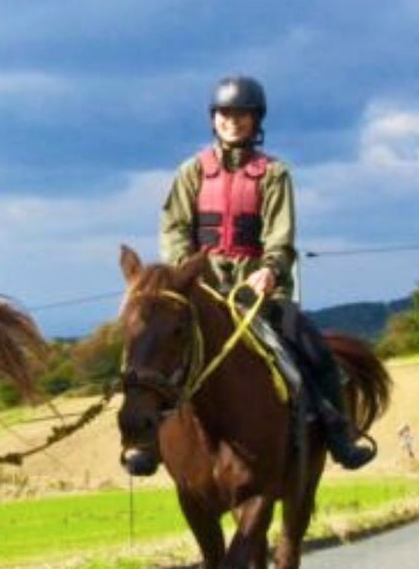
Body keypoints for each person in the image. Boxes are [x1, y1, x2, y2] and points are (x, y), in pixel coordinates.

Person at [159, 75, 376, 469]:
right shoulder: (191, 172)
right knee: (152, 342)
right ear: (214, 119)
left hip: (257, 288)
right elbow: (174, 228)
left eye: (242, 115)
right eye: (225, 114)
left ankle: (338, 433)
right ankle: (145, 440)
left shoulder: (273, 173)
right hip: (203, 288)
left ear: (256, 121)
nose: (232, 121)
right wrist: (187, 269)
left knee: (312, 346)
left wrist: (271, 271)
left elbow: (280, 234)